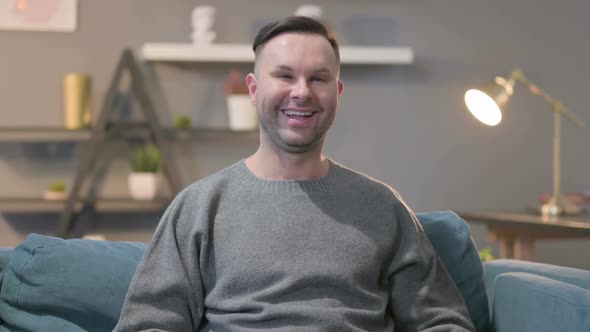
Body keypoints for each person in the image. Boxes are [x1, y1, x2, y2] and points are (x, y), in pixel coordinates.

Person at [114, 16, 475, 332]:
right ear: (253, 90)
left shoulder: (383, 206)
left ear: (337, 92)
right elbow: (149, 324)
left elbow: (443, 322)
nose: (301, 92)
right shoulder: (199, 207)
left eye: (318, 78)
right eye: (284, 76)